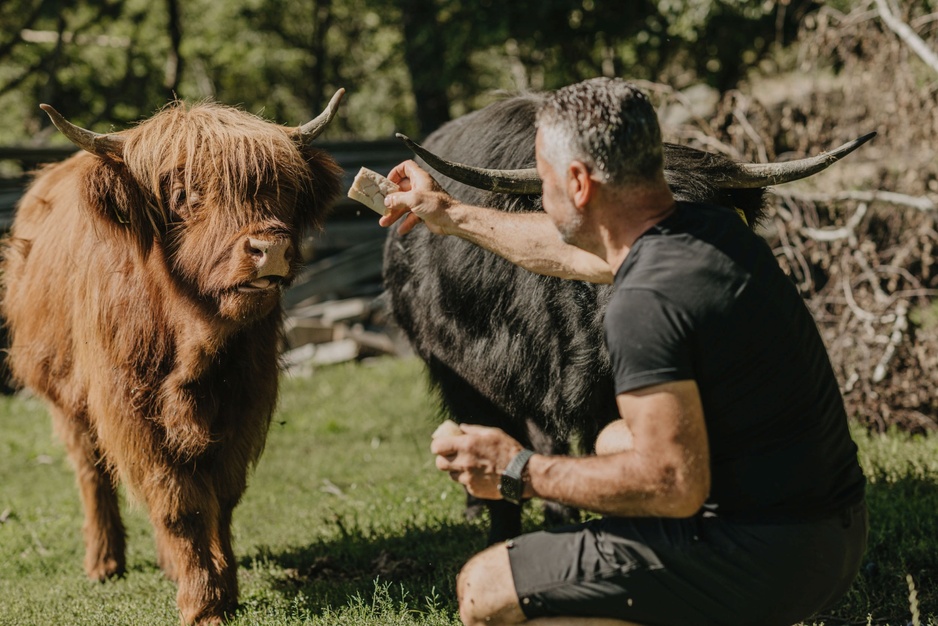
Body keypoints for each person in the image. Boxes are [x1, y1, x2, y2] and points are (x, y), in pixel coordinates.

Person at [379, 77, 867, 626]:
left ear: (579, 184)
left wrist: (517, 469)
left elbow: (670, 483)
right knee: (613, 438)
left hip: (766, 563)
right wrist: (449, 212)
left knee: (483, 587)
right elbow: (560, 252)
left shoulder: (641, 302)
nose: (542, 194)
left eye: (543, 179)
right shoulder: (708, 231)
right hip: (835, 536)